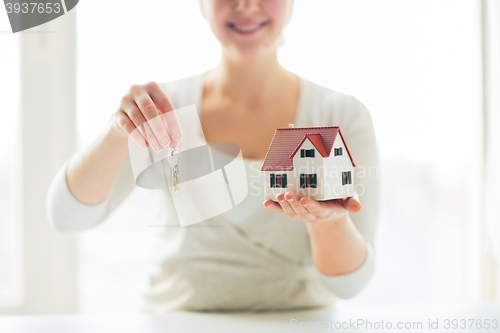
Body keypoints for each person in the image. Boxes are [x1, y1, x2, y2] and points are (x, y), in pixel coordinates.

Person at [47, 0, 379, 312]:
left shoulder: (339, 115)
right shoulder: (162, 109)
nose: (246, 5)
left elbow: (350, 286)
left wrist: (330, 223)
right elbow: (67, 218)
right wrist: (117, 132)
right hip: (174, 322)